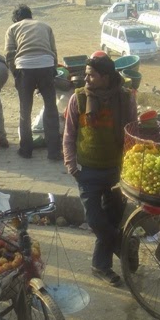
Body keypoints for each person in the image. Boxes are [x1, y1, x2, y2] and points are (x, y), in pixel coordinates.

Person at [63, 52, 137, 286]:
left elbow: (132, 134)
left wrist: (130, 168)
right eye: (86, 75)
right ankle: (124, 246)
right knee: (95, 220)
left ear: (106, 77)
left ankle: (101, 266)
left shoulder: (125, 98)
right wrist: (71, 165)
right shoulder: (79, 99)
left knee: (111, 220)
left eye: (91, 76)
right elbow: (69, 134)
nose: (86, 80)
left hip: (116, 170)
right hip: (88, 172)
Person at [4, 4, 61, 160]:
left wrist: (16, 74)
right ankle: (54, 152)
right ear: (31, 15)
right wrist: (52, 71)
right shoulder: (45, 26)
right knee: (51, 110)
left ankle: (26, 150)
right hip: (46, 66)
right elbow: (54, 52)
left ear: (16, 19)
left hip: (25, 68)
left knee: (25, 111)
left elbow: (9, 54)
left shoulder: (13, 28)